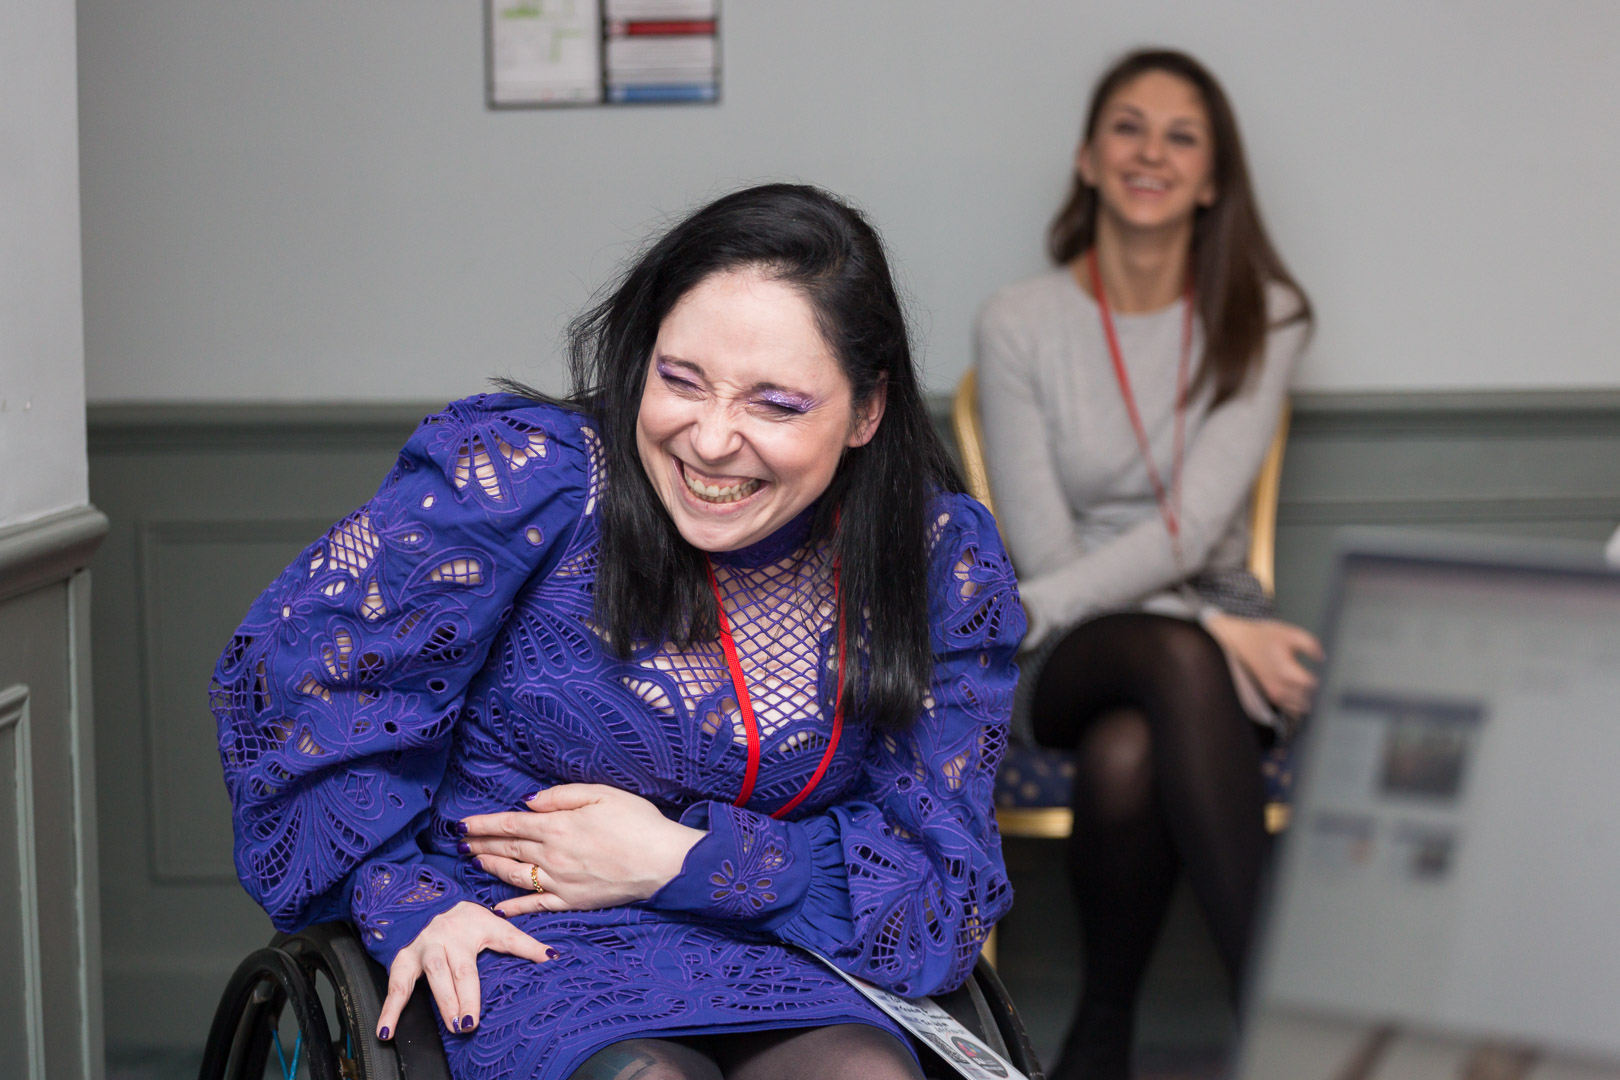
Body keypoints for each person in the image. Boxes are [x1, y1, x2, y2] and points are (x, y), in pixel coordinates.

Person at [211, 183, 1023, 1080]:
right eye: (680, 381)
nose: (711, 440)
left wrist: (679, 858)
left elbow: (938, 881)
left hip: (778, 945)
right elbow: (299, 687)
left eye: (775, 405)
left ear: (866, 412)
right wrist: (409, 901)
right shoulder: (531, 482)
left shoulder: (933, 559)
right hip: (520, 937)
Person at [973, 49, 1323, 1080]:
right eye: (1128, 127)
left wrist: (1206, 621)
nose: (1151, 152)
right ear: (1088, 157)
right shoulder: (1020, 322)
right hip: (1080, 647)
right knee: (1168, 665)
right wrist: (1217, 631)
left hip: (1197, 643)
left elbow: (1194, 524)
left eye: (1182, 135)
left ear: (1213, 178)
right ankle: (1292, 1021)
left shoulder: (1267, 315)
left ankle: (1100, 1034)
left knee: (1131, 753)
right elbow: (1045, 552)